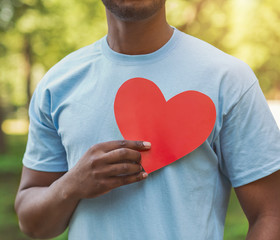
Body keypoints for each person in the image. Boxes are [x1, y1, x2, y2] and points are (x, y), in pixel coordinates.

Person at [15, 0, 280, 239]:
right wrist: (71, 185)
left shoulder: (228, 79)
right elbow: (33, 225)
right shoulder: (58, 84)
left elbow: (270, 214)